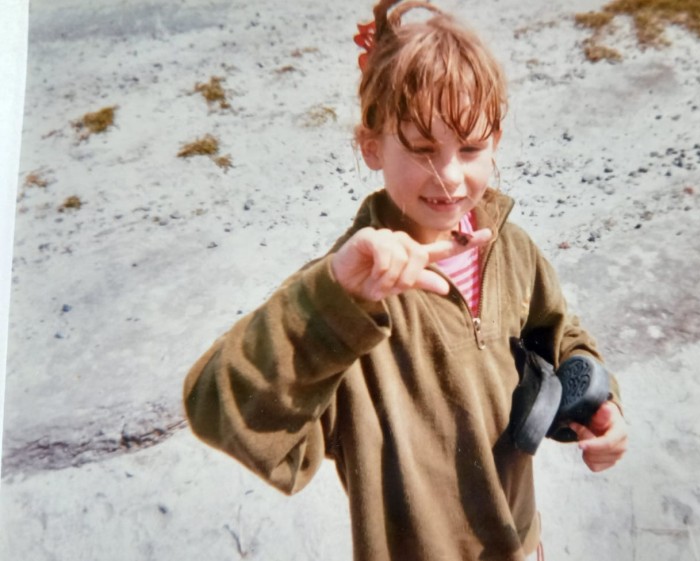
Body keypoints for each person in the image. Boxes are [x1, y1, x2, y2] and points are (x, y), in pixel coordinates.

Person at [183, 1, 628, 559]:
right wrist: (331, 302)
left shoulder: (510, 248)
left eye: (470, 147)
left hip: (522, 543)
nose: (449, 173)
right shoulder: (349, 297)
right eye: (421, 148)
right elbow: (220, 412)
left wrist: (597, 409)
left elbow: (560, 338)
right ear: (372, 146)